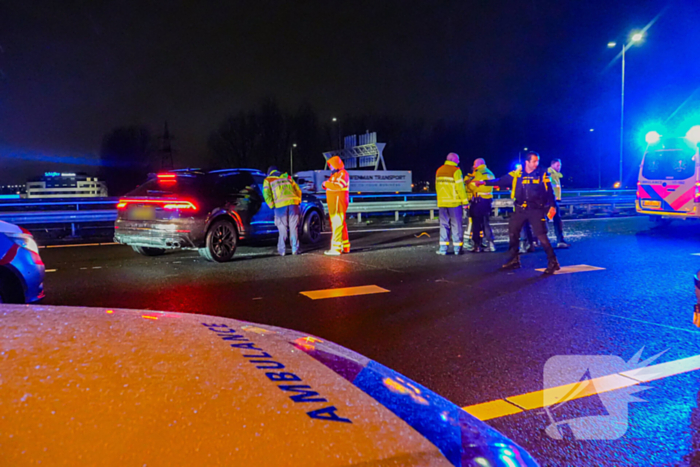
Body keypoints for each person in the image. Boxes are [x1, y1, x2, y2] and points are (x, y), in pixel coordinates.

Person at [476, 151, 560, 274]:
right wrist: (484, 182)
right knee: (513, 232)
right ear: (527, 162)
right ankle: (514, 259)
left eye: (537, 161)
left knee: (541, 235)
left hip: (536, 209)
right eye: (534, 161)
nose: (536, 163)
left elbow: (549, 192)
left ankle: (553, 262)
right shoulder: (517, 173)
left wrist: (552, 206)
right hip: (520, 209)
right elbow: (501, 180)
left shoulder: (542, 174)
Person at [263, 166, 303, 256]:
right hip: (293, 203)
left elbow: (266, 194)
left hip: (280, 205)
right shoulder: (288, 177)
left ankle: (282, 250)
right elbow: (298, 190)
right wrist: (298, 200)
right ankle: (295, 249)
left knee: (282, 227)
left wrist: (271, 205)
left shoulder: (268, 180)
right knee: (293, 226)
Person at [436, 152, 469, 255]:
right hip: (454, 203)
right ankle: (457, 249)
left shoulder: (439, 170)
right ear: (454, 160)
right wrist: (465, 202)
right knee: (456, 225)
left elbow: (437, 187)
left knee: (443, 225)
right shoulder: (456, 171)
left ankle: (443, 249)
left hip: (442, 203)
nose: (459, 161)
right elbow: (460, 188)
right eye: (458, 159)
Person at [466, 158, 495, 252]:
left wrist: (467, 182)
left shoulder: (478, 173)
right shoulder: (490, 173)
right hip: (488, 201)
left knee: (476, 224)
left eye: (474, 164)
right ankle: (491, 244)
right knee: (486, 223)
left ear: (478, 164)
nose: (473, 166)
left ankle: (477, 246)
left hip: (478, 201)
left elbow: (472, 188)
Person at [323, 156, 350, 255]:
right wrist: (326, 184)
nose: (331, 167)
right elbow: (329, 185)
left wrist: (326, 183)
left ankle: (335, 248)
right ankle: (345, 246)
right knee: (340, 223)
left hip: (338, 201)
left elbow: (338, 186)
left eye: (331, 165)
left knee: (337, 224)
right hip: (335, 202)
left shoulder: (343, 173)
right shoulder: (335, 174)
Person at [547, 159, 570, 248]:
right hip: (550, 202)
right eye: (557, 165)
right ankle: (560, 241)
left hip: (554, 201)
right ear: (552, 165)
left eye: (560, 165)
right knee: (553, 220)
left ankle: (535, 240)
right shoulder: (549, 173)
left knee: (554, 220)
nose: (559, 167)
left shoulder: (555, 174)